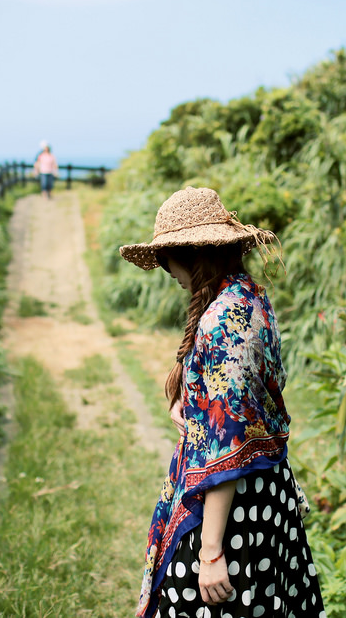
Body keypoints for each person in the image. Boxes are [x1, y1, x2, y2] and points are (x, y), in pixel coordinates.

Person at [120, 187, 325, 618]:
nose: (165, 270)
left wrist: (211, 552)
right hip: (264, 493)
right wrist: (188, 402)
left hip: (232, 508)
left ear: (193, 256)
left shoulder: (221, 323)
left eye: (166, 259)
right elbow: (235, 394)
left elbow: (228, 446)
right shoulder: (248, 297)